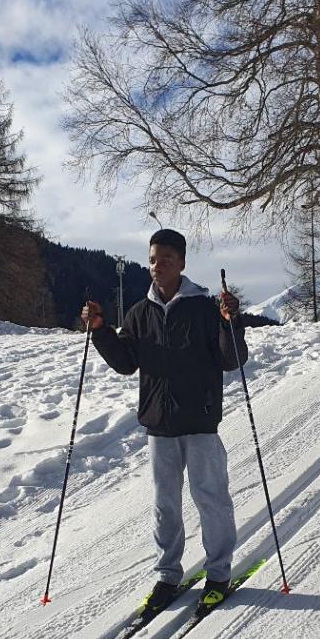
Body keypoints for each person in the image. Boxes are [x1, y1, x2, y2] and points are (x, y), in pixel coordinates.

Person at [81, 228, 248, 612]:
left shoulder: (205, 308)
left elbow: (231, 360)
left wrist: (230, 322)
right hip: (160, 425)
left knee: (211, 499)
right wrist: (101, 331)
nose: (157, 266)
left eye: (166, 260)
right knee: (165, 507)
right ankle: (168, 575)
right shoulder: (140, 313)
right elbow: (126, 362)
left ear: (182, 264)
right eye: (153, 260)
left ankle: (219, 573)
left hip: (200, 421)